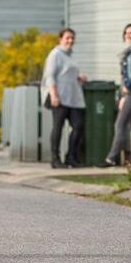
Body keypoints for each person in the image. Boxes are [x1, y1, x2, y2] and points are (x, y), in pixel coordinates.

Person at [100, 23, 131, 167]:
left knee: (120, 124)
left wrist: (128, 87)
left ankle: (111, 158)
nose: (129, 35)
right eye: (127, 33)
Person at [41, 28, 87, 168]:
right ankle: (55, 159)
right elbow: (50, 76)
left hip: (73, 98)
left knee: (78, 126)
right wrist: (54, 95)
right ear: (60, 39)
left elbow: (67, 73)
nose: (70, 40)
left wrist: (79, 77)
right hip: (59, 97)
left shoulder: (71, 55)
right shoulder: (55, 54)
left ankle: (71, 157)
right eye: (67, 38)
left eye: (72, 38)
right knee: (58, 127)